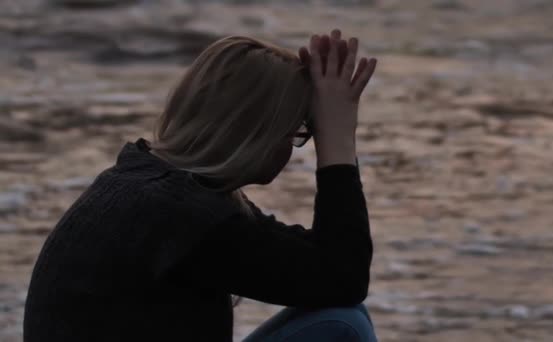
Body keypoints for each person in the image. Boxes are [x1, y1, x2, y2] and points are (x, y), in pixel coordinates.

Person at [23, 28, 378, 342]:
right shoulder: (180, 215)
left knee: (347, 315)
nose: (293, 146)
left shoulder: (154, 184)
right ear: (256, 132)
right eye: (297, 132)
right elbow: (343, 278)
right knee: (341, 325)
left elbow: (328, 264)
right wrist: (338, 141)